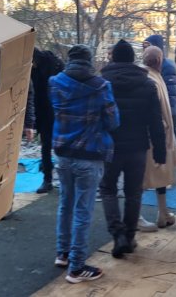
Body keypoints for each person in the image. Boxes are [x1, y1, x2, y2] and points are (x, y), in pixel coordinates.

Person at [49, 44, 119, 283]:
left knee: (65, 204)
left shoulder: (55, 83)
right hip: (89, 154)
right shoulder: (101, 87)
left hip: (63, 153)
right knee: (83, 210)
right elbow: (113, 122)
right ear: (89, 61)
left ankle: (63, 253)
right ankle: (77, 268)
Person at [99, 40, 166, 258]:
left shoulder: (102, 82)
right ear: (132, 59)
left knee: (108, 189)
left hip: (110, 146)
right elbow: (156, 121)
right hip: (138, 146)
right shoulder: (147, 84)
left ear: (113, 58)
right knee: (133, 192)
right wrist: (160, 151)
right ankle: (129, 236)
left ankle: (117, 234)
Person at [138, 46, 176, 230]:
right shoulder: (150, 79)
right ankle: (137, 216)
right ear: (159, 61)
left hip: (157, 134)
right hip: (153, 136)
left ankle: (163, 212)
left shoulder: (153, 76)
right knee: (143, 177)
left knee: (158, 175)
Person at [27, 48, 65, 193]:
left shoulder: (50, 67)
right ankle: (50, 179)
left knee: (48, 147)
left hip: (50, 112)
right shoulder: (54, 64)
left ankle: (48, 179)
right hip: (52, 112)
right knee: (51, 147)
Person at [142, 35, 176, 128]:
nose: (145, 50)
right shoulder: (146, 66)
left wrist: (170, 114)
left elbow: (171, 93)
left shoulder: (167, 66)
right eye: (144, 47)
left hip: (166, 112)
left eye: (147, 46)